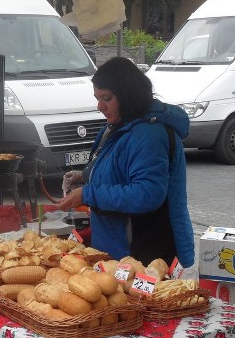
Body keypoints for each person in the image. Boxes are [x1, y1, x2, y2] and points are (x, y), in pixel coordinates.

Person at [57, 56, 195, 268]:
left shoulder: (149, 134)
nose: (100, 106)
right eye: (97, 98)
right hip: (115, 248)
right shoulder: (116, 125)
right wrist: (84, 176)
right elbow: (114, 167)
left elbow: (147, 194)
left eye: (107, 98)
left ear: (128, 95)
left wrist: (87, 193)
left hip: (142, 252)